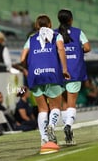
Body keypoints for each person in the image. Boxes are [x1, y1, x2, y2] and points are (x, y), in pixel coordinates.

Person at [20, 14, 70, 154]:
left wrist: (27, 71)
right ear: (50, 24)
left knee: (42, 109)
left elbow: (22, 57)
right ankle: (52, 126)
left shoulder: (31, 39)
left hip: (35, 75)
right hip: (51, 73)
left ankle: (43, 138)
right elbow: (61, 49)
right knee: (55, 106)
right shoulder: (56, 36)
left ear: (37, 26)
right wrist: (64, 69)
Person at [56, 9, 91, 145]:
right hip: (75, 70)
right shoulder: (78, 32)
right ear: (71, 19)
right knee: (71, 102)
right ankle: (68, 126)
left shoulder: (54, 33)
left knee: (64, 102)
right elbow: (87, 48)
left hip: (59, 71)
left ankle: (68, 136)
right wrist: (77, 49)